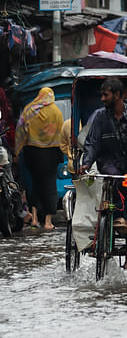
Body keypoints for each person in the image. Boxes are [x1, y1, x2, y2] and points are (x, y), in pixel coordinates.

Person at [78, 78, 127, 273]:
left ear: (117, 95)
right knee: (116, 180)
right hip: (109, 165)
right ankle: (119, 221)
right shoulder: (99, 116)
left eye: (105, 95)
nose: (102, 98)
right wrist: (86, 164)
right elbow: (91, 144)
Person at [15, 87, 63, 230]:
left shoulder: (30, 110)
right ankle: (48, 222)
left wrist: (17, 151)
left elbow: (20, 130)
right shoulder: (56, 112)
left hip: (32, 153)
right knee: (49, 185)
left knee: (35, 183)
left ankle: (35, 218)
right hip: (51, 153)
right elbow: (61, 133)